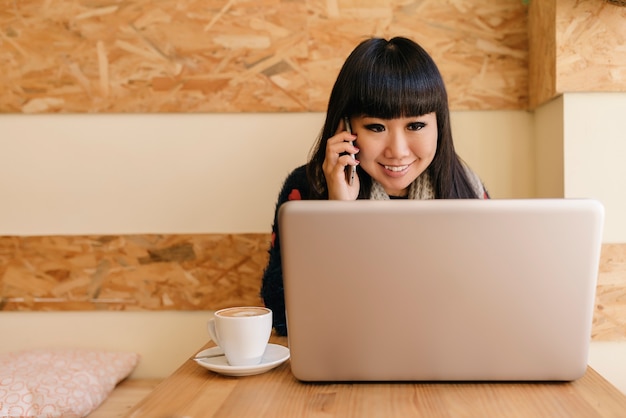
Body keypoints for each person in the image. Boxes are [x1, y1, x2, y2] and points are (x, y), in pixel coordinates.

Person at [261, 36, 489, 336]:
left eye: (416, 125)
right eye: (376, 127)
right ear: (346, 127)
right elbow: (281, 317)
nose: (398, 150)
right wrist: (338, 212)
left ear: (439, 126)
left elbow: (485, 308)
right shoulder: (306, 189)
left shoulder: (466, 189)